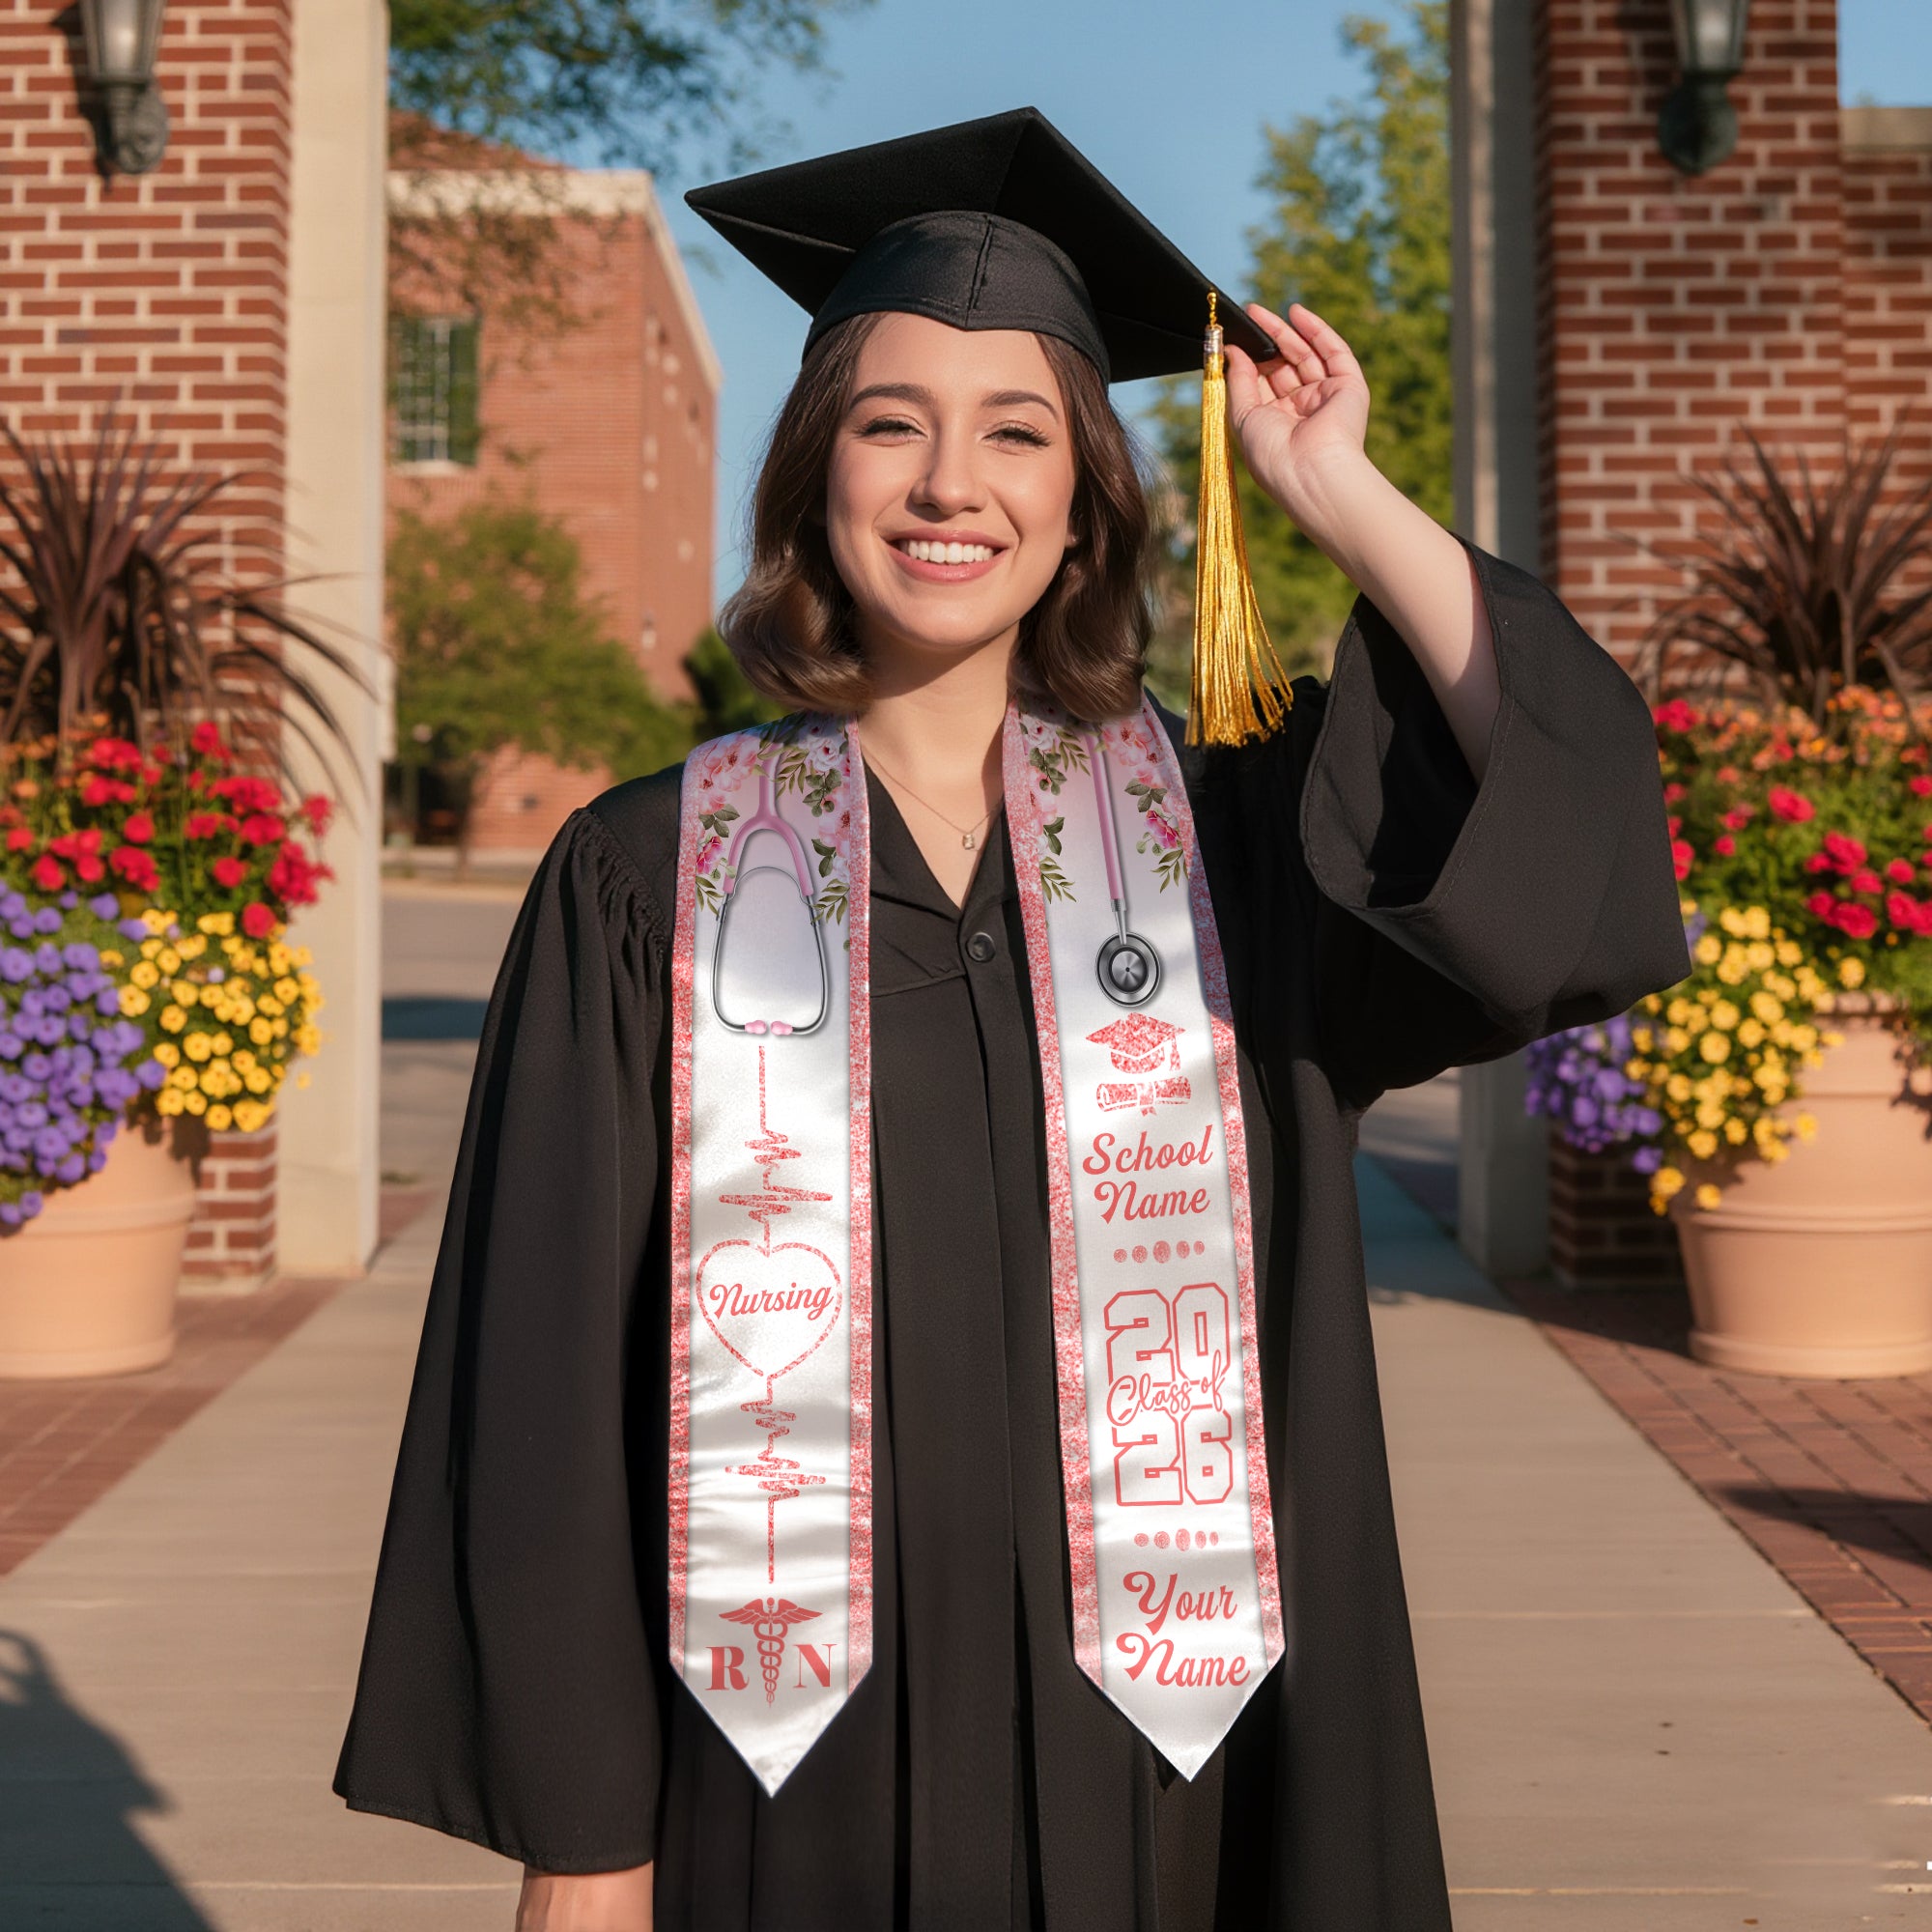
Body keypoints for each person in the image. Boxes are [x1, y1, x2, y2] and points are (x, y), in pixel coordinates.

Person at [334, 109, 1689, 1932]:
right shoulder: (645, 877)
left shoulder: (1234, 857)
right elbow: (549, 1386)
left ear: (1082, 506)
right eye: (892, 424)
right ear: (818, 472)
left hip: (1183, 1780)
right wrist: (585, 1844)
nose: (947, 483)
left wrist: (1335, 491)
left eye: (1016, 433)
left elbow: (1555, 819)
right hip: (782, 1780)